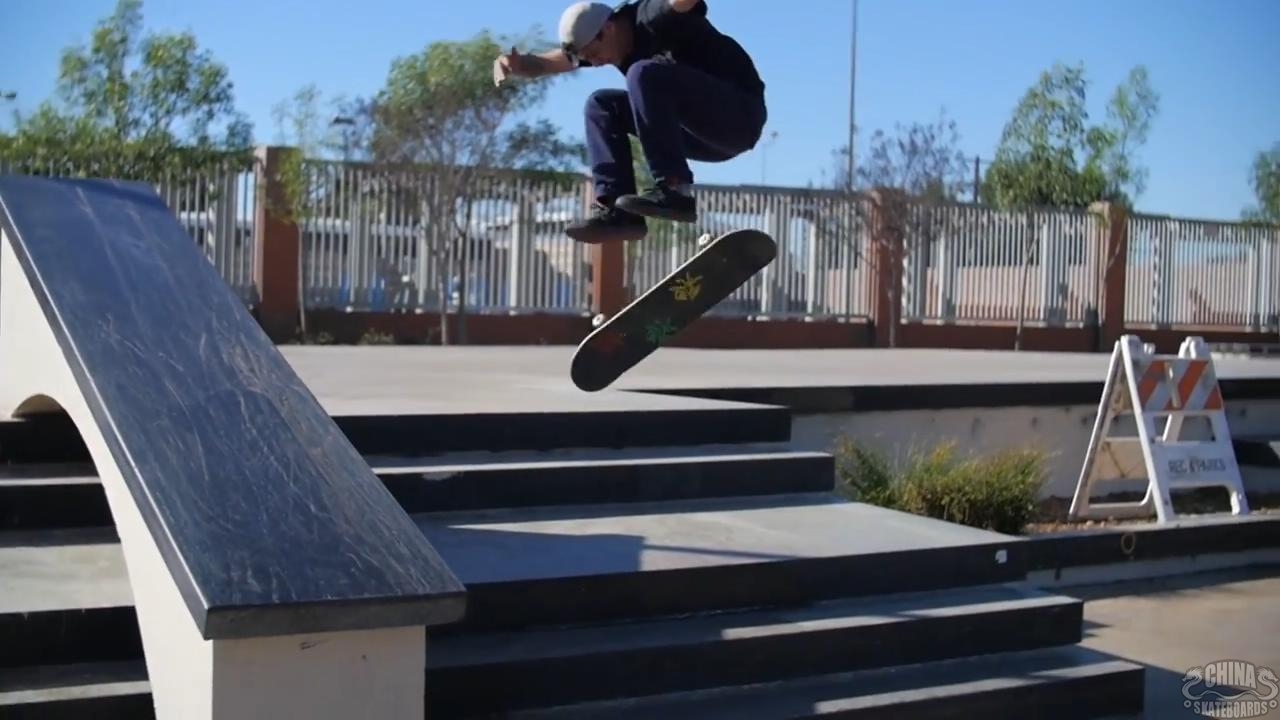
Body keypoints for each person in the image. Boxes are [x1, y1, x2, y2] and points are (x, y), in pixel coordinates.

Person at [493, 0, 767, 244]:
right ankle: (618, 213)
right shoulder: (605, 42)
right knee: (601, 105)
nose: (597, 63)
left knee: (642, 73)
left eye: (595, 54)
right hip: (697, 138)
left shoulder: (651, 15)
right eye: (588, 60)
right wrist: (516, 65)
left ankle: (674, 188)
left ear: (608, 28)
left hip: (738, 116)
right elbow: (550, 63)